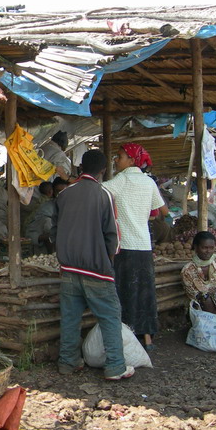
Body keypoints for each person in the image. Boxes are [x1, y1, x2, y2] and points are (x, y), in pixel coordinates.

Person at [51, 149, 133, 380]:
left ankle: (68, 362)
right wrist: (109, 261)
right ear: (103, 170)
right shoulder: (103, 194)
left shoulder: (64, 195)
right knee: (109, 316)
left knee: (70, 317)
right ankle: (116, 366)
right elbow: (112, 236)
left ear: (80, 168)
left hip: (68, 268)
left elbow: (54, 231)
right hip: (97, 269)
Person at [102, 143, 168, 352]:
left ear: (131, 160)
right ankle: (148, 338)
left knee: (124, 292)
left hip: (125, 247)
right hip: (144, 246)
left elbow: (96, 193)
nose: (115, 160)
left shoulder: (121, 180)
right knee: (145, 292)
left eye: (119, 156)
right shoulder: (148, 182)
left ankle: (126, 339)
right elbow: (162, 210)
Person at [25, 178, 68, 254]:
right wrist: (46, 237)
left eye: (65, 191)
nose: (61, 195)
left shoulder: (76, 207)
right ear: (53, 192)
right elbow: (29, 234)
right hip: (45, 250)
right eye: (58, 191)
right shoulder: (46, 208)